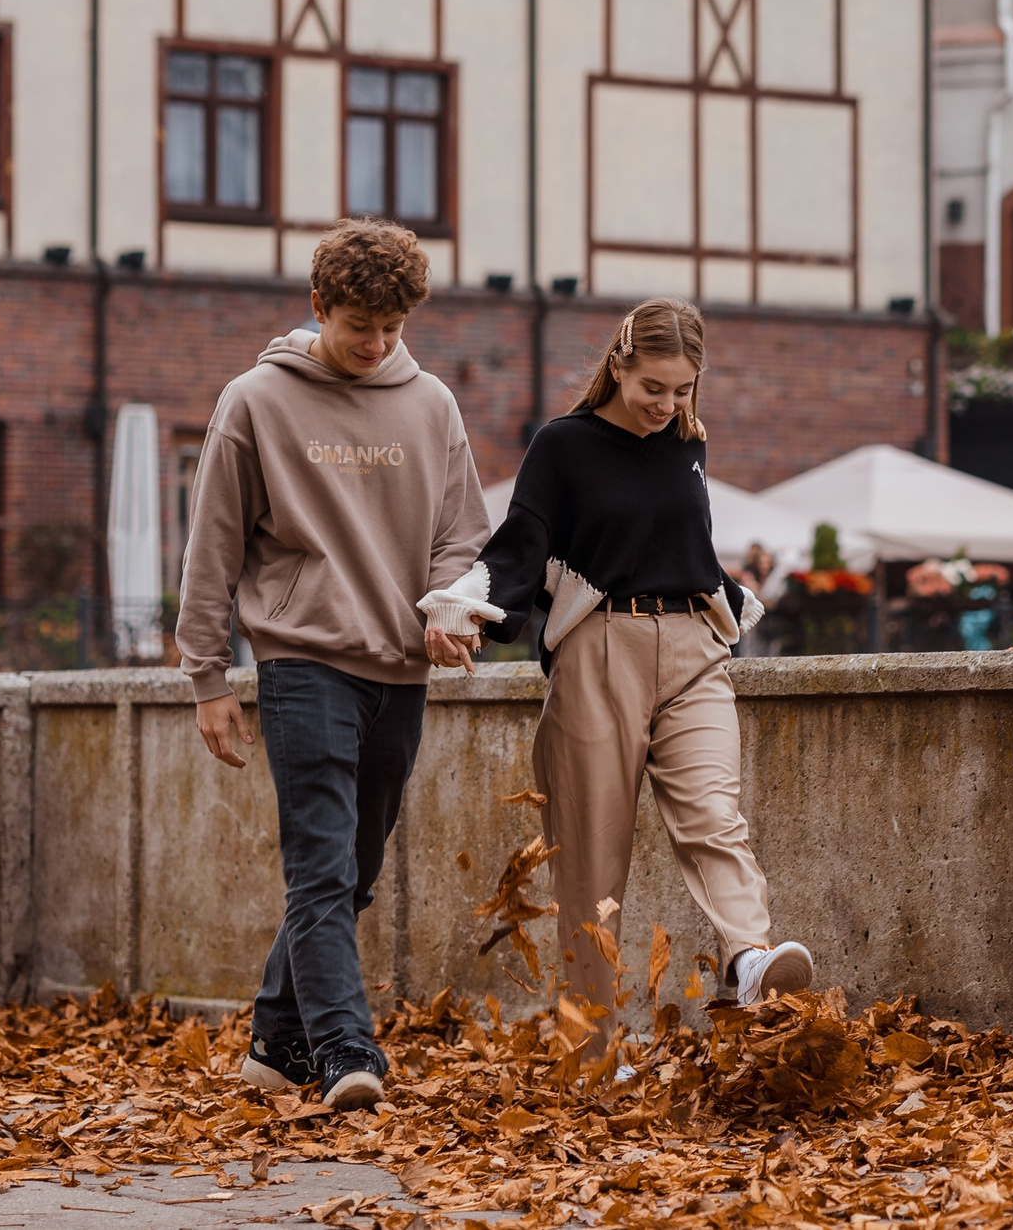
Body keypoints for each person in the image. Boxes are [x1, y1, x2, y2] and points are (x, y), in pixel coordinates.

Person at [421, 298, 813, 1036]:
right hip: (601, 650)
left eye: (684, 389)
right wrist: (468, 603)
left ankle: (750, 956)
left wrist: (731, 594)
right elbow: (526, 539)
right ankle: (590, 1043)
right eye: (653, 388)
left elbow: (678, 540)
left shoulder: (688, 442)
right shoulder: (563, 445)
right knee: (592, 864)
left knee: (714, 815)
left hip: (697, 646)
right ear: (618, 366)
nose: (667, 404)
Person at [179, 218, 490, 1113]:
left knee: (354, 869)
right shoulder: (255, 399)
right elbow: (213, 548)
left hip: (401, 668)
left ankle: (275, 1041)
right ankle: (345, 1050)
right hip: (303, 660)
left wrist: (449, 608)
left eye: (393, 328)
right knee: (319, 867)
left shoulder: (431, 402)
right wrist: (208, 677)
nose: (377, 344)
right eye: (360, 325)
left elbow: (461, 536)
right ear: (319, 307)